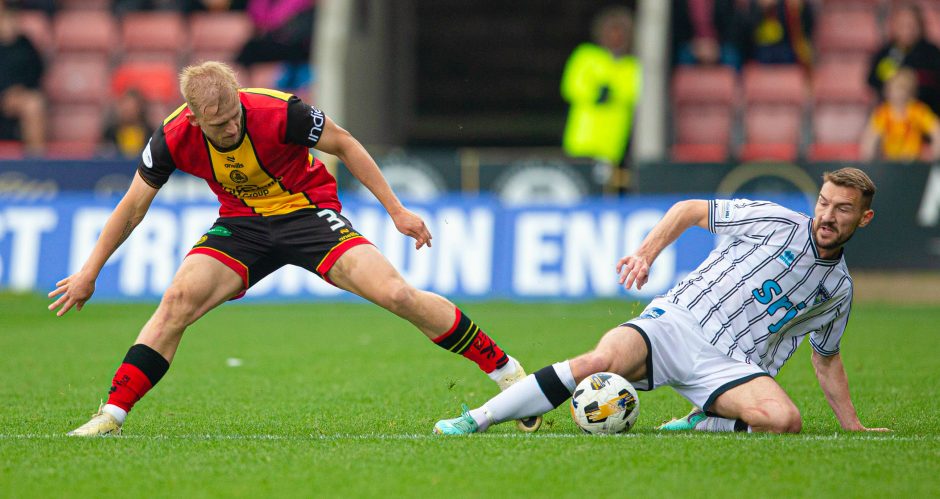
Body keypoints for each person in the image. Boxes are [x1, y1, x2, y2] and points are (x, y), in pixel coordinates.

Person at [51, 61, 540, 436]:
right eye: (217, 125)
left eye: (232, 118)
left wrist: (396, 210)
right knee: (176, 303)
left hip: (309, 215)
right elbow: (132, 207)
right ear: (196, 119)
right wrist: (89, 271)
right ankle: (111, 415)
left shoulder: (277, 111)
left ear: (239, 101)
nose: (229, 130)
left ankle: (506, 372)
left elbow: (345, 143)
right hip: (242, 226)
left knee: (396, 294)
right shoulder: (172, 138)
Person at [435, 167, 891, 435]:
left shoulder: (838, 291)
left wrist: (851, 425)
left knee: (784, 420)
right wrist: (645, 253)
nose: (827, 216)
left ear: (864, 218)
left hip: (731, 367)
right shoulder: (776, 221)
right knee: (600, 359)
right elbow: (690, 210)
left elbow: (826, 359)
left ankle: (703, 418)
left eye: (842, 209)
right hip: (677, 322)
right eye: (824, 203)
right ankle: (477, 419)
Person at [560, 6, 642, 171]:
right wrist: (595, 93)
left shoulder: (632, 65)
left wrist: (613, 93)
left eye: (620, 32)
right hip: (581, 139)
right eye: (611, 31)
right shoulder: (586, 56)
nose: (615, 37)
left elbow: (634, 93)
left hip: (612, 143)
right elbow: (571, 86)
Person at [867, 3, 940, 115]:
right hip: (893, 116)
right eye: (903, 25)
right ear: (894, 26)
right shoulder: (887, 52)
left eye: (911, 25)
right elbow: (873, 80)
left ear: (920, 26)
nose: (907, 30)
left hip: (925, 116)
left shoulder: (931, 52)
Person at [861, 68, 940, 162]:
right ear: (888, 91)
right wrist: (870, 161)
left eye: (902, 89)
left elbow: (936, 131)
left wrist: (936, 158)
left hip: (913, 163)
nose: (898, 94)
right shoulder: (883, 113)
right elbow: (870, 139)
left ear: (910, 91)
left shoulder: (918, 111)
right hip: (890, 163)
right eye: (895, 89)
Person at [0, 1, 45, 156]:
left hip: (17, 99)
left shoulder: (23, 43)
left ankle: (36, 163)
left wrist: (19, 91)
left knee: (33, 104)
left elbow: (36, 71)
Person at [740, 0, 814, 68]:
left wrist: (794, 11)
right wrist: (762, 10)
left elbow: (798, 31)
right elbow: (749, 32)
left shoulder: (786, 7)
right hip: (761, 48)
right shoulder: (755, 6)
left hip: (785, 47)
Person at [672, 0, 743, 69]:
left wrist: (715, 46)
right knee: (683, 56)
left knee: (731, 56)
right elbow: (677, 28)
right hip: (692, 45)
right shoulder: (680, 2)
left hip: (718, 45)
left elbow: (730, 27)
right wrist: (695, 46)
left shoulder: (725, 2)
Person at [101, 89, 156, 159]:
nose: (128, 110)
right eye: (125, 106)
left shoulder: (150, 133)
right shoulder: (111, 132)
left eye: (132, 107)